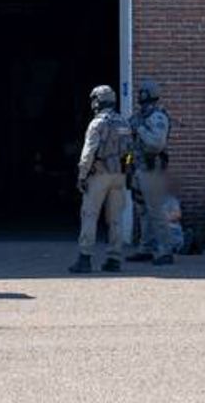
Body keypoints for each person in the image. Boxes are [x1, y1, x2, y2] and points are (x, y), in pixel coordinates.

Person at [69, 85, 132, 274]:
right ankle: (114, 259)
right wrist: (126, 169)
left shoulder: (96, 124)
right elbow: (130, 151)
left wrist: (82, 175)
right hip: (119, 175)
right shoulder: (124, 123)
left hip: (99, 175)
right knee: (115, 219)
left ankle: (85, 258)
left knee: (89, 215)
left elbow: (88, 152)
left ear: (98, 101)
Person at [126, 79, 175, 266]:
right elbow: (128, 141)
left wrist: (139, 129)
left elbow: (156, 144)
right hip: (138, 169)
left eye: (143, 92)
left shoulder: (158, 117)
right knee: (143, 212)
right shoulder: (139, 116)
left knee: (156, 211)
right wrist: (128, 164)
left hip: (152, 169)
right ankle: (145, 248)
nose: (140, 95)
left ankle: (165, 251)